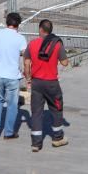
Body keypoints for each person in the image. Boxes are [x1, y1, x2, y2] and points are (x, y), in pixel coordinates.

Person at [23, 19, 70, 152]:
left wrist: (28, 79)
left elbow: (26, 63)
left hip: (36, 82)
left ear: (40, 29)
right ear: (50, 31)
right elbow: (65, 63)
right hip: (52, 83)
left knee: (36, 112)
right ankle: (57, 138)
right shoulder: (56, 44)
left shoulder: (32, 44)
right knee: (56, 109)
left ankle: (36, 144)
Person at [0, 12, 27, 140]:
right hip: (12, 76)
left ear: (7, 22)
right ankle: (8, 132)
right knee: (12, 105)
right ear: (18, 24)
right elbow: (26, 56)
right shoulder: (20, 38)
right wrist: (25, 71)